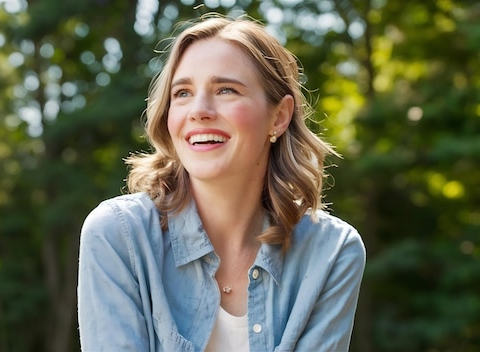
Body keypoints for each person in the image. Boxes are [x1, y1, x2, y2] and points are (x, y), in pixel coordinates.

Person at [77, 14, 365, 352]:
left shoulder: (331, 252)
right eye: (182, 93)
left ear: (280, 116)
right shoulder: (119, 236)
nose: (199, 110)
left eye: (226, 89)